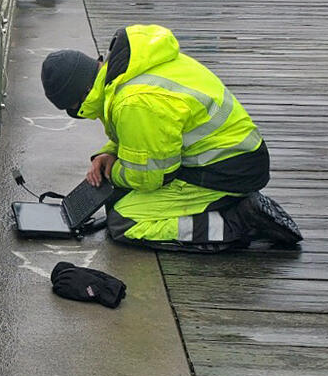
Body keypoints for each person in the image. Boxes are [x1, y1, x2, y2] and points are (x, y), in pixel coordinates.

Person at [41, 23, 301, 252]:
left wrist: (113, 174)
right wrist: (110, 153)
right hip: (233, 155)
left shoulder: (133, 102)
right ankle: (233, 205)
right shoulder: (128, 70)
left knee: (124, 221)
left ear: (80, 97)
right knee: (119, 197)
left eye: (75, 110)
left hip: (225, 170)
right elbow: (148, 135)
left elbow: (150, 176)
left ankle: (238, 220)